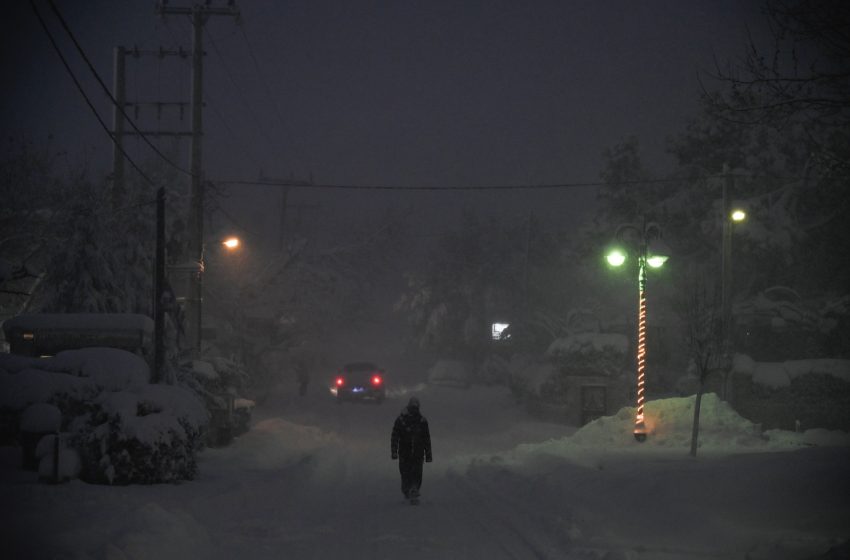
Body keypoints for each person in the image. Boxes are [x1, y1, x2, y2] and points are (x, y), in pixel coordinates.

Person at [390, 396, 432, 501]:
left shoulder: (422, 421)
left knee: (417, 473)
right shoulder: (401, 420)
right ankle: (407, 490)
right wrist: (394, 451)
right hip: (404, 452)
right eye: (412, 407)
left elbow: (426, 438)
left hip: (418, 453)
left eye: (416, 407)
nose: (414, 409)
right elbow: (395, 436)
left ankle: (414, 489)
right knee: (405, 473)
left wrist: (428, 454)